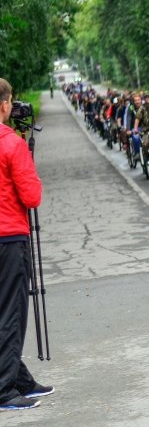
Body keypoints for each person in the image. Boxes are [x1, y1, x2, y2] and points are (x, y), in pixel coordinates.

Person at [0, 78, 52, 410]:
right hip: (9, 236)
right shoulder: (11, 143)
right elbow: (31, 196)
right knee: (11, 312)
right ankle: (5, 389)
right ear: (5, 105)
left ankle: (19, 378)